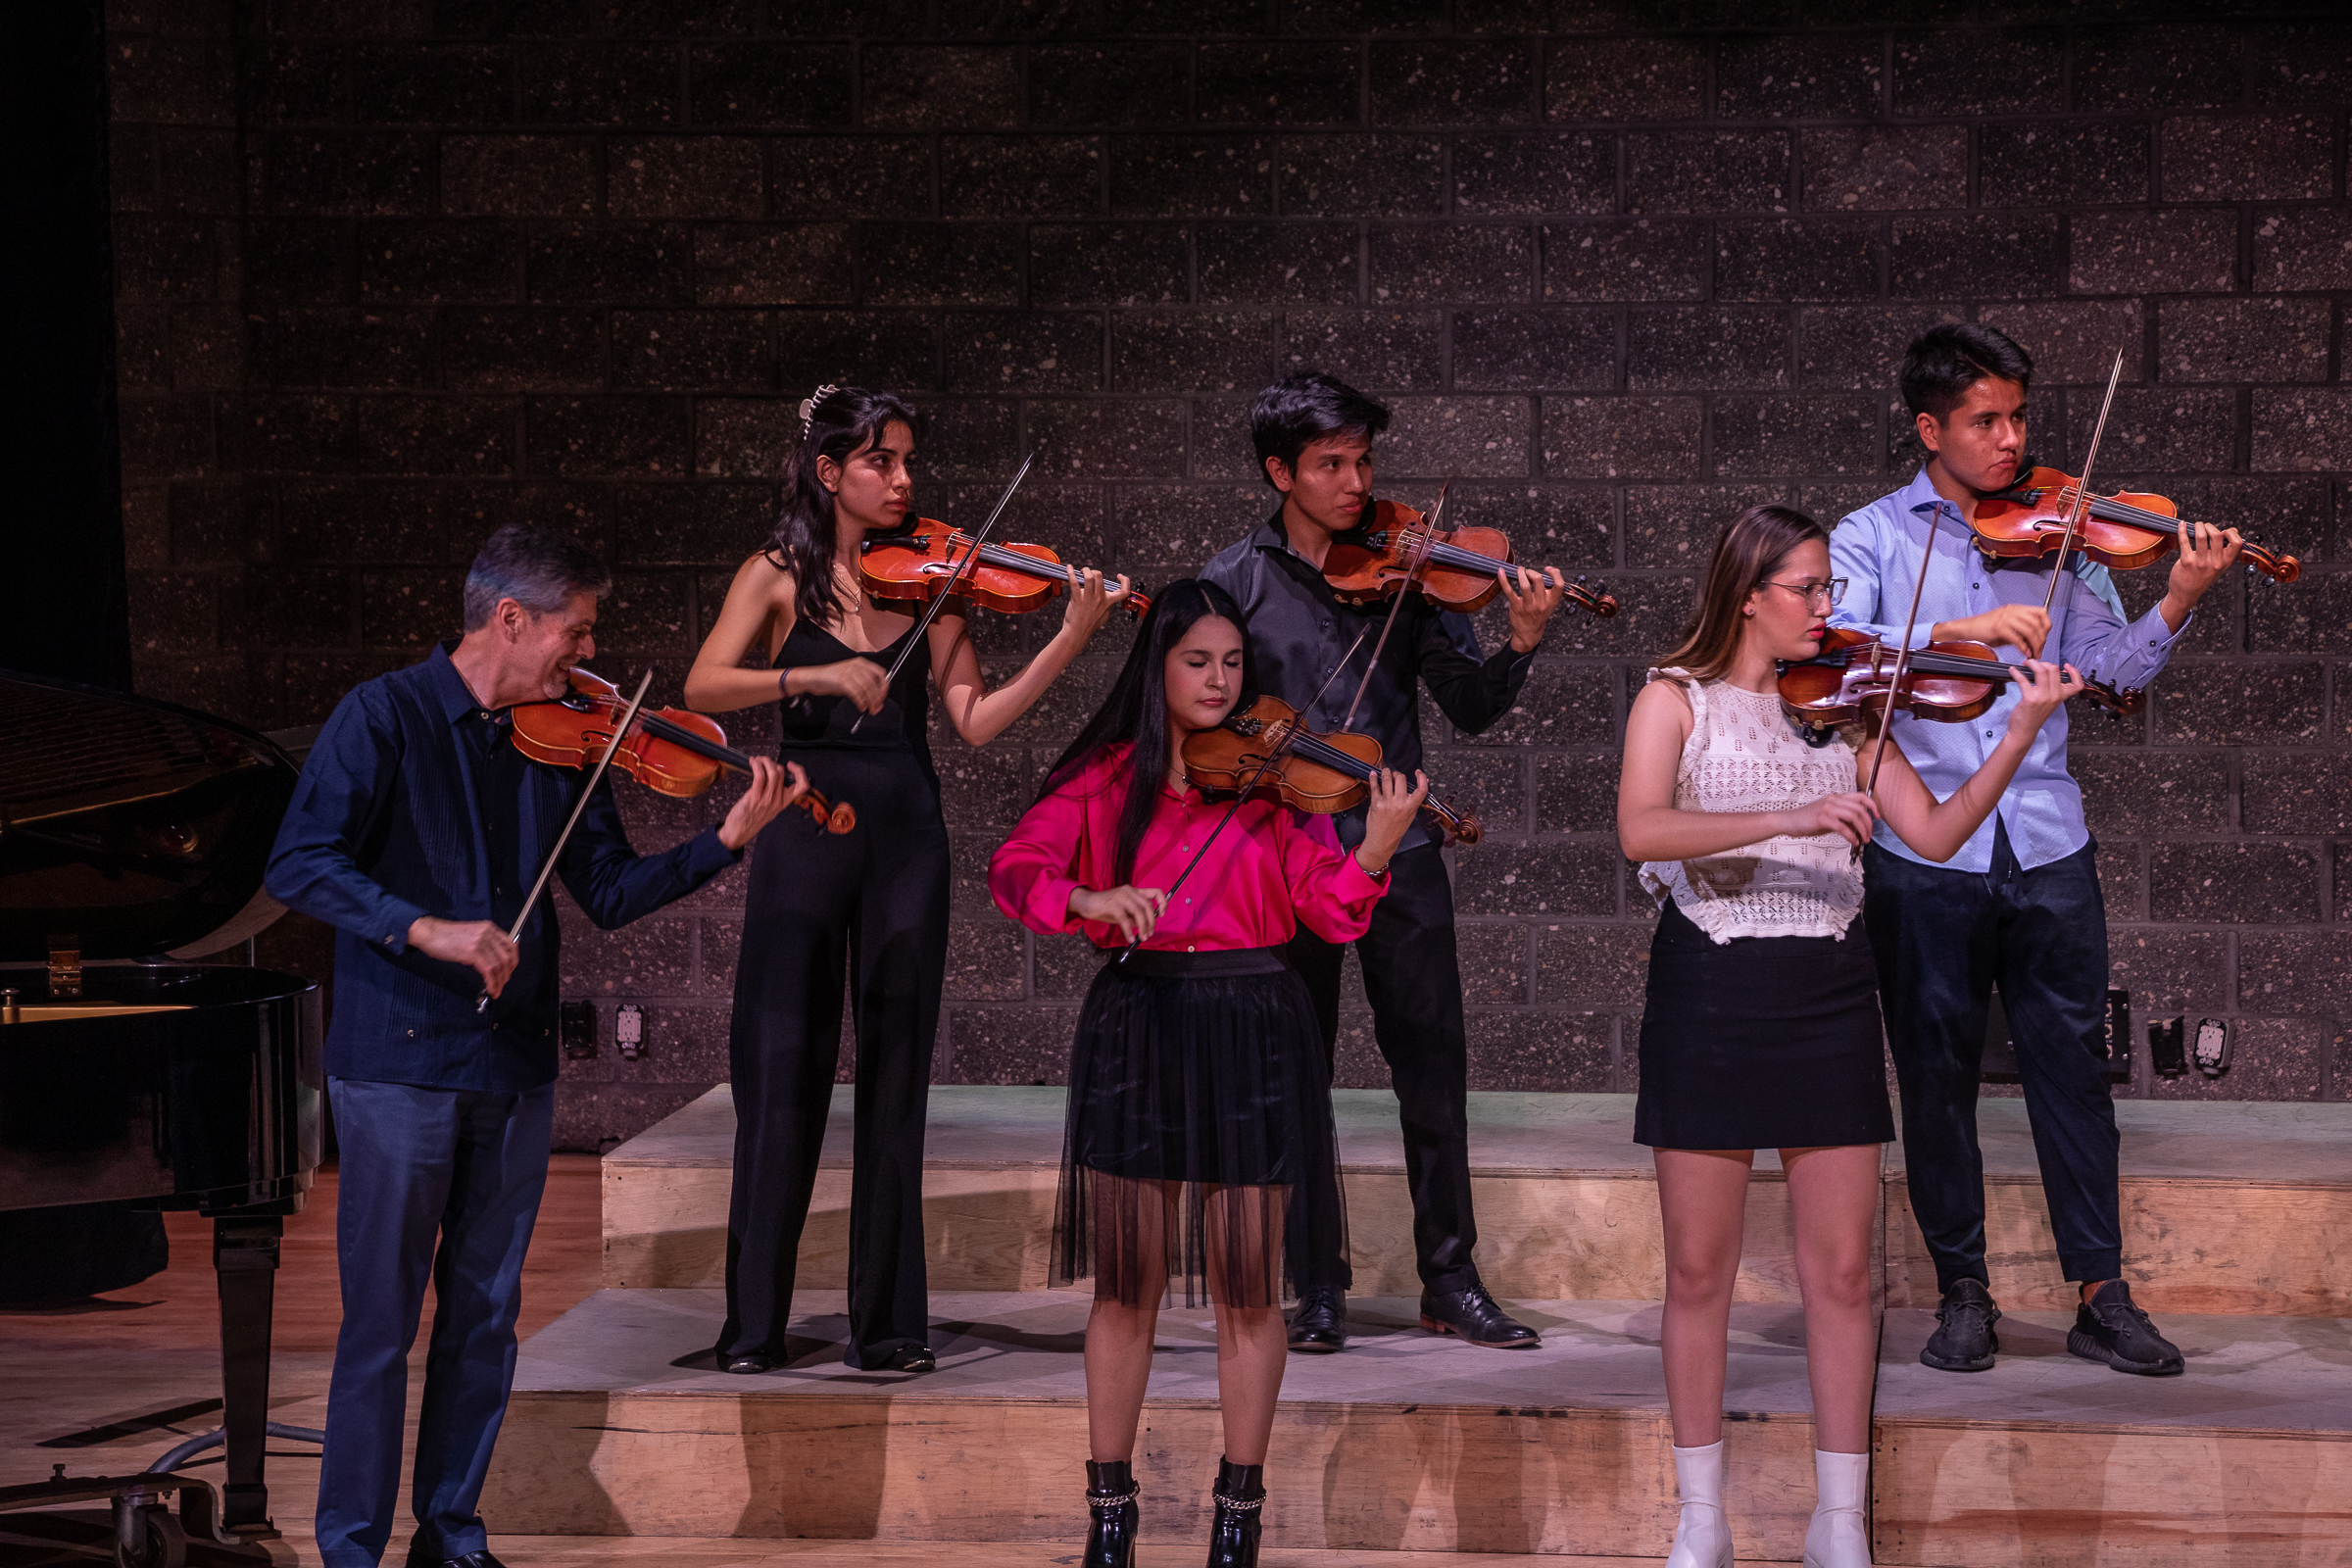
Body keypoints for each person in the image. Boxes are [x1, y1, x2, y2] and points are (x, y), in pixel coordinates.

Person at [267, 524, 803, 1568]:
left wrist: (723, 840)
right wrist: (425, 927)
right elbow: (300, 862)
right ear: (510, 619)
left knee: (483, 1319)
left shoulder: (562, 737)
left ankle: (451, 1537)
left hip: (512, 1069)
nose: (590, 655)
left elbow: (606, 891)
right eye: (578, 630)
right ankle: (351, 1550)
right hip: (398, 1065)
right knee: (381, 1327)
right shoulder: (383, 715)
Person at [1618, 502, 2077, 1568]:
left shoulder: (1851, 712)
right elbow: (1642, 829)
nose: (1830, 606)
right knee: (1698, 1274)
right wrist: (1791, 817)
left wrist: (2017, 732)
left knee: (1840, 1276)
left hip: (1827, 989)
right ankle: (1700, 1521)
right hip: (1709, 987)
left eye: (1831, 586)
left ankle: (1839, 1525)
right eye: (1809, 589)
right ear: (1748, 597)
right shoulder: (1673, 698)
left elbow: (1936, 833)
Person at [683, 384, 1131, 1375]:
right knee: (781, 1070)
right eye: (880, 461)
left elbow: (974, 721)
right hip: (803, 833)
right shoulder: (775, 574)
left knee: (896, 1079)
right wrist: (813, 675)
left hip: (905, 843)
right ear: (828, 471)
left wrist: (1070, 636)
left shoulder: (938, 583)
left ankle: (886, 1325)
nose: (902, 480)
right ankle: (753, 1326)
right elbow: (703, 684)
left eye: (908, 462)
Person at [1830, 323, 2242, 1380]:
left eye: (2018, 417)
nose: (2011, 440)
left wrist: (2179, 599)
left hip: (2050, 841)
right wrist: (1960, 634)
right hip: (1926, 848)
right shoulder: (1871, 536)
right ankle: (1963, 1291)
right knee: (1936, 1077)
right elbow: (1836, 661)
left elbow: (2114, 671)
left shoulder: (2062, 536)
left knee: (2075, 1073)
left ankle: (2102, 1296)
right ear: (1930, 428)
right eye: (1986, 421)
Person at [990, 579, 1425, 1568]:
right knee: (1125, 1288)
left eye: (1233, 662)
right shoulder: (1107, 779)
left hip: (1254, 1028)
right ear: (1159, 668)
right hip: (1141, 1023)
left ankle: (1239, 1516)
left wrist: (1376, 847)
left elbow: (1328, 910)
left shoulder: (1275, 788)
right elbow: (1015, 866)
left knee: (1248, 1289)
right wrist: (1087, 898)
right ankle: (1111, 1513)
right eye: (1198, 661)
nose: (1220, 680)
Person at [1198, 371, 1568, 1354]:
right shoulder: (1229, 584)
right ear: (1280, 471)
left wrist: (1519, 644)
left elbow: (1470, 706)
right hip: (1286, 855)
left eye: (1363, 461)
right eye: (1332, 463)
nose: (1357, 482)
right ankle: (1315, 1284)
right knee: (1296, 1071)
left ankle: (1451, 1279)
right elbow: (1204, 723)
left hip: (1401, 842)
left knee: (1432, 1066)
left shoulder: (1410, 570)